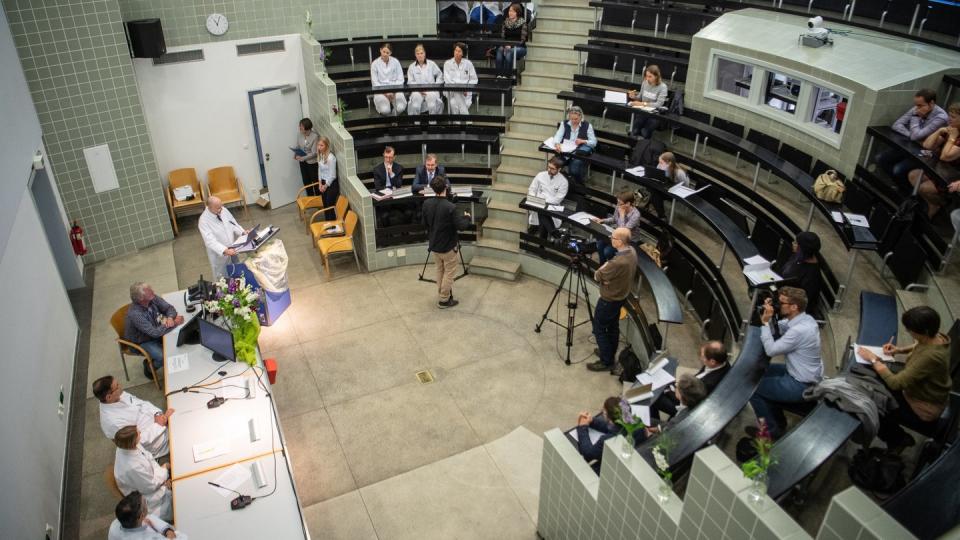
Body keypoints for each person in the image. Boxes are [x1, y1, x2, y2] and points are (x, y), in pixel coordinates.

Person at [858, 306, 951, 452]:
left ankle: (898, 439)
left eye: (910, 330)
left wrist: (874, 360)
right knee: (875, 380)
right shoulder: (937, 337)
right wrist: (898, 350)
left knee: (872, 402)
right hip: (920, 392)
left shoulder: (931, 357)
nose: (909, 332)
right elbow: (919, 344)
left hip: (922, 407)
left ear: (924, 331)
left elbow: (896, 384)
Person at [748, 286, 823, 439]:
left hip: (800, 383)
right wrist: (772, 314)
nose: (778, 305)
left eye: (781, 303)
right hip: (799, 373)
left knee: (753, 389)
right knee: (761, 372)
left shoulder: (800, 331)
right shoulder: (806, 319)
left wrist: (765, 323)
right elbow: (781, 327)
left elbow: (771, 350)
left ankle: (770, 432)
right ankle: (779, 421)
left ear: (794, 307)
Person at [587, 228, 638, 372]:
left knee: (599, 328)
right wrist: (607, 277)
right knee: (613, 327)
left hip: (609, 299)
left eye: (613, 237)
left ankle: (606, 361)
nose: (611, 239)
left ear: (620, 242)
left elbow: (597, 275)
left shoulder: (617, 262)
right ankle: (608, 352)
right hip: (621, 296)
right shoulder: (632, 252)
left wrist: (605, 274)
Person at [875, 89, 949, 184]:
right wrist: (911, 135)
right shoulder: (917, 109)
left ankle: (905, 190)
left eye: (920, 105)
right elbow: (897, 125)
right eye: (916, 105)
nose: (916, 108)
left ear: (931, 103)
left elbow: (916, 136)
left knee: (898, 169)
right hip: (914, 145)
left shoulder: (941, 117)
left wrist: (915, 118)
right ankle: (898, 185)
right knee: (881, 158)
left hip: (929, 152)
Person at [421, 175, 471, 308]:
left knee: (440, 270)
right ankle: (444, 299)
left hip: (434, 245)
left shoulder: (426, 204)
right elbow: (461, 226)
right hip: (448, 247)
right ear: (446, 188)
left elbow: (424, 223)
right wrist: (467, 217)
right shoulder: (450, 207)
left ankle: (442, 293)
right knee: (449, 273)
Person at [94, 375, 172, 458]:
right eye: (117, 386)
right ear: (109, 397)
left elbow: (142, 403)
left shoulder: (117, 395)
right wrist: (158, 425)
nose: (120, 386)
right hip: (158, 440)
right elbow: (136, 442)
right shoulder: (112, 423)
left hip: (161, 420)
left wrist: (157, 413)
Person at [650, 341, 730, 421]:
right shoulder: (722, 363)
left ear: (712, 361)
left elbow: (686, 400)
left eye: (703, 357)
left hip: (687, 405)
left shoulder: (709, 384)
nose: (701, 358)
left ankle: (652, 424)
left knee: (652, 397)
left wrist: (670, 391)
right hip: (686, 392)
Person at [905, 103, 960, 218]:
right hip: (939, 169)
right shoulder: (951, 129)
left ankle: (941, 204)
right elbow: (927, 145)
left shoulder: (955, 135)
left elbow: (945, 156)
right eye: (949, 115)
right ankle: (931, 203)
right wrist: (939, 131)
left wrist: (952, 138)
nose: (949, 119)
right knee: (913, 176)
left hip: (952, 177)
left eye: (953, 117)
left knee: (924, 188)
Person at [123, 282, 183, 378]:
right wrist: (174, 323)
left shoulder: (152, 298)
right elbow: (154, 333)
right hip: (142, 341)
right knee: (163, 357)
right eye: (149, 291)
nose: (153, 291)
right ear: (141, 298)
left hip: (157, 328)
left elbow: (169, 308)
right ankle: (149, 368)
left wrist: (171, 319)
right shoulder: (135, 314)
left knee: (178, 339)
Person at [113, 426, 172, 522]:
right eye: (138, 433)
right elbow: (150, 486)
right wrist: (164, 472)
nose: (140, 432)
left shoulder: (126, 446)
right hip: (151, 498)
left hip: (154, 479)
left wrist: (162, 470)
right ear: (132, 441)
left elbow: (148, 457)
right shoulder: (132, 467)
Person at [575, 397, 643, 473]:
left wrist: (582, 427)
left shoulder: (608, 440)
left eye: (604, 411)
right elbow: (614, 428)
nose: (601, 411)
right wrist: (592, 421)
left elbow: (588, 454)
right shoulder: (636, 423)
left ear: (609, 417)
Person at [198, 196, 246, 279]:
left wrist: (242, 232)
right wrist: (225, 250)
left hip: (232, 249)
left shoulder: (223, 210)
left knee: (237, 273)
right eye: (217, 208)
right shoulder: (203, 221)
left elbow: (232, 223)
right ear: (209, 207)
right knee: (223, 278)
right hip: (220, 254)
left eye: (221, 207)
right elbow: (210, 241)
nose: (220, 210)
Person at [775, 231, 822, 315]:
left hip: (789, 306)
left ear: (802, 248)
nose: (793, 244)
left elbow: (801, 302)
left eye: (796, 243)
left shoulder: (811, 276)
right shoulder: (798, 256)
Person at [591, 190, 642, 264]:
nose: (618, 205)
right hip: (617, 235)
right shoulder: (619, 207)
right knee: (600, 244)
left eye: (620, 203)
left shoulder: (636, 215)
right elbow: (614, 219)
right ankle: (602, 266)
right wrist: (602, 220)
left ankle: (613, 268)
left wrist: (622, 215)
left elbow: (624, 232)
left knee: (607, 251)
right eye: (617, 202)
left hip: (629, 240)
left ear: (628, 203)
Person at [108, 491, 184, 539]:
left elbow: (148, 518)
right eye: (145, 503)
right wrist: (171, 536)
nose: (147, 503)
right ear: (141, 516)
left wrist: (166, 530)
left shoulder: (116, 524)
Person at [553, 106, 597, 184]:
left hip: (578, 153)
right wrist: (557, 144)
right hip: (565, 151)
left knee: (574, 170)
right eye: (571, 119)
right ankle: (559, 183)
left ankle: (579, 186)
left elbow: (594, 142)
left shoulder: (587, 125)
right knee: (554, 164)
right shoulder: (564, 123)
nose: (573, 121)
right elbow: (558, 136)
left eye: (576, 119)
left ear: (581, 117)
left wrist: (583, 141)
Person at [527, 157, 568, 240]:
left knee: (542, 212)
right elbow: (532, 189)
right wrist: (534, 198)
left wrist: (543, 202)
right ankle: (553, 232)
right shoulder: (540, 175)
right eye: (548, 167)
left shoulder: (563, 182)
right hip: (537, 202)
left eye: (552, 169)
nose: (549, 170)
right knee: (542, 211)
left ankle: (541, 241)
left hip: (552, 206)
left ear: (559, 169)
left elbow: (558, 199)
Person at [628, 65, 669, 139]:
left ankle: (644, 146)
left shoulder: (663, 87)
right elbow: (640, 97)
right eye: (646, 76)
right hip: (643, 111)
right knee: (635, 130)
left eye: (650, 76)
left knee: (645, 132)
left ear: (656, 76)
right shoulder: (645, 82)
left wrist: (643, 104)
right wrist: (634, 97)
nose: (647, 78)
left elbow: (659, 104)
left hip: (655, 114)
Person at [407, 44, 444, 115]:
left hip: (431, 89)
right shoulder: (411, 67)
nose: (420, 55)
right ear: (415, 55)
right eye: (418, 54)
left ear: (425, 54)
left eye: (421, 53)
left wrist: (435, 86)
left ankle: (432, 123)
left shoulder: (431, 64)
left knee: (432, 106)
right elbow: (410, 81)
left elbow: (440, 75)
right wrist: (419, 89)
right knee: (415, 106)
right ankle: (416, 123)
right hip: (417, 91)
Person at [370, 42, 407, 116]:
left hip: (395, 89)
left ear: (390, 53)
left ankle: (392, 118)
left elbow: (400, 79)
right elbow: (375, 82)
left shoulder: (396, 62)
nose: (385, 54)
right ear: (380, 50)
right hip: (380, 90)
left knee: (400, 107)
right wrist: (386, 93)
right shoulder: (374, 64)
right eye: (383, 52)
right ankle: (391, 118)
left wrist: (393, 91)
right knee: (385, 110)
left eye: (387, 52)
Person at [443, 42, 478, 115]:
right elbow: (447, 80)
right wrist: (460, 89)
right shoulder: (447, 64)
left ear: (463, 53)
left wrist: (467, 88)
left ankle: (457, 124)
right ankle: (467, 120)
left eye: (459, 51)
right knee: (454, 102)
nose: (456, 53)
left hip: (466, 92)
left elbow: (474, 79)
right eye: (455, 50)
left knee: (454, 104)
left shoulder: (468, 64)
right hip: (452, 91)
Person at [495, 3, 528, 78]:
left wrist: (511, 46)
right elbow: (503, 37)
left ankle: (507, 75)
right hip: (506, 45)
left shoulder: (523, 23)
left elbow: (523, 40)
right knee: (499, 50)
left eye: (513, 11)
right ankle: (499, 75)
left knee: (510, 52)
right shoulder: (505, 22)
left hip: (520, 47)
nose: (510, 13)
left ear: (517, 12)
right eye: (510, 11)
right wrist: (505, 45)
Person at [315, 135, 338, 220]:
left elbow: (333, 175)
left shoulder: (331, 158)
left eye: (321, 145)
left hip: (331, 184)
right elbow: (319, 170)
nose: (319, 147)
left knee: (329, 206)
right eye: (318, 145)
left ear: (327, 146)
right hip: (323, 182)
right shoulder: (320, 155)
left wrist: (325, 186)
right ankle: (327, 223)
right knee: (325, 205)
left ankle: (333, 226)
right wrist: (320, 183)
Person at [294, 118, 319, 196]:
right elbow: (298, 146)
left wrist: (303, 158)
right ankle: (310, 198)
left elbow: (314, 153)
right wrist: (296, 154)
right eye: (300, 126)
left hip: (312, 163)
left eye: (301, 126)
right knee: (306, 181)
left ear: (307, 127)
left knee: (315, 182)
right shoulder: (299, 134)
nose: (300, 127)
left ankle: (318, 199)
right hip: (303, 162)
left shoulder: (315, 136)